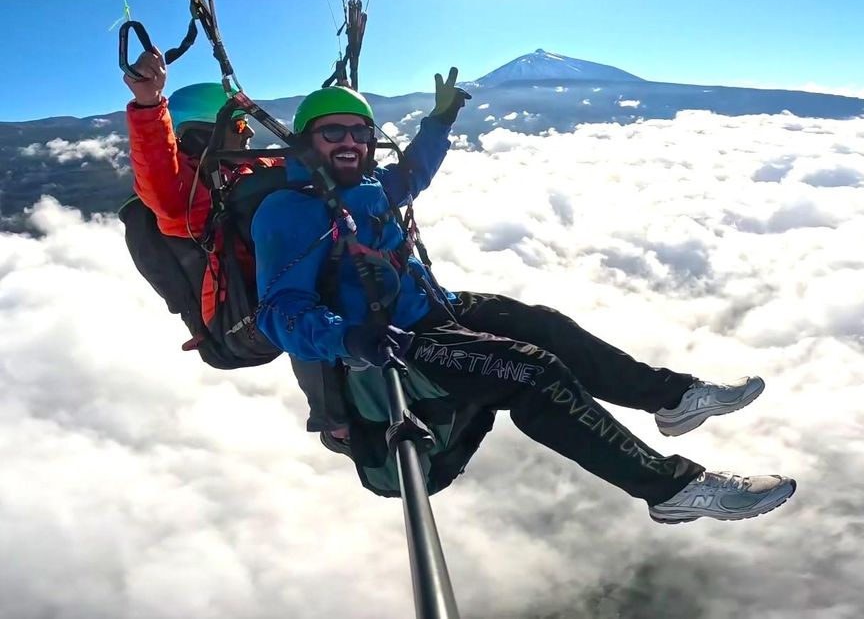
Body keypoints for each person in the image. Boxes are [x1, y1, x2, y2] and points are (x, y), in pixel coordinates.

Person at [252, 69, 797, 523]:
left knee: (545, 323)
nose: (349, 141)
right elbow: (279, 310)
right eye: (332, 133)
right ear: (306, 141)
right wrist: (348, 337)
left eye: (359, 131)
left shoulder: (364, 188)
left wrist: (439, 122)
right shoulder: (290, 211)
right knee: (534, 373)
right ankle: (671, 489)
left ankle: (673, 399)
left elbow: (411, 176)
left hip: (431, 308)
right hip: (394, 341)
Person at [123, 49, 272, 328]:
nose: (250, 133)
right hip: (242, 317)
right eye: (240, 125)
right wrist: (148, 103)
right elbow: (158, 169)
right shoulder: (188, 200)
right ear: (203, 134)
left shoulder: (243, 168)